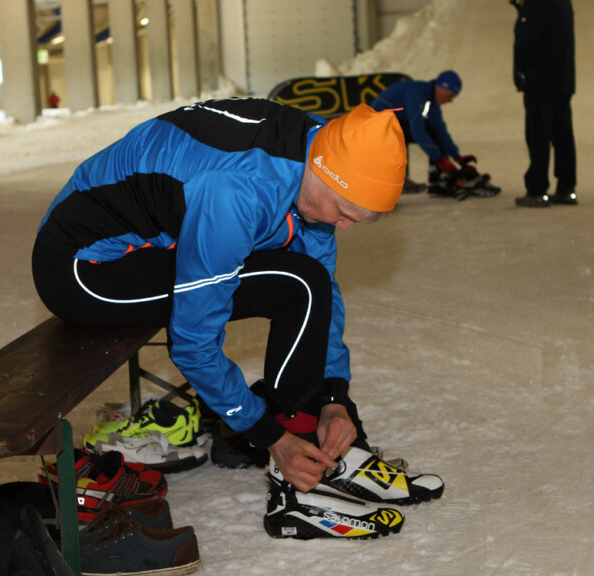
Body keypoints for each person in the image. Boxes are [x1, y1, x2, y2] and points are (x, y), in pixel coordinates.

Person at [32, 98, 443, 540]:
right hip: (84, 268)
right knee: (296, 282)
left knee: (307, 281)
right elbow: (193, 344)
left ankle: (324, 443)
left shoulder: (320, 149)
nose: (343, 226)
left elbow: (323, 289)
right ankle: (297, 480)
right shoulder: (237, 190)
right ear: (325, 171)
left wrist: (334, 399)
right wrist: (271, 437)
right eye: (343, 213)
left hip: (151, 243)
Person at [511, 0, 578, 207]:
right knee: (562, 135)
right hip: (562, 79)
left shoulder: (538, 3)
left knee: (538, 135)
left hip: (540, 80)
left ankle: (537, 190)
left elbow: (529, 39)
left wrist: (521, 70)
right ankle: (566, 188)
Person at [371, 70, 480, 193]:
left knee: (431, 130)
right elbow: (417, 131)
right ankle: (394, 182)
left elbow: (440, 130)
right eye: (450, 95)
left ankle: (437, 179)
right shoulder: (416, 93)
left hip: (386, 124)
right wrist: (440, 160)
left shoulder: (430, 98)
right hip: (374, 127)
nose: (450, 100)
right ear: (441, 87)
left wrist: (457, 157)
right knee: (411, 131)